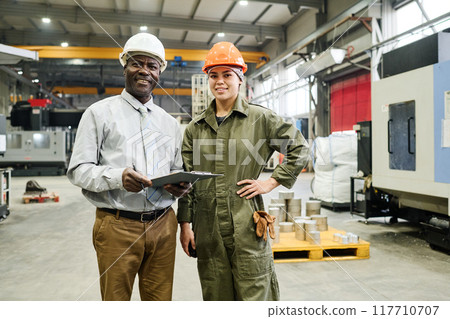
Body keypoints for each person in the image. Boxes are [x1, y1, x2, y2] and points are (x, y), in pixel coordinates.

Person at [177, 42, 309, 301]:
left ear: (240, 78)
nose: (220, 81)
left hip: (246, 227)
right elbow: (187, 181)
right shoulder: (196, 128)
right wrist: (185, 225)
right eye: (213, 75)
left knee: (254, 296)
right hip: (208, 229)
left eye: (227, 74)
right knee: (217, 297)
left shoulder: (261, 119)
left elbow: (299, 148)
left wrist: (271, 182)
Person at [67, 33, 189, 301]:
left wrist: (178, 186)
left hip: (163, 224)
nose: (144, 71)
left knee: (159, 303)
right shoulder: (99, 114)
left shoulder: (169, 123)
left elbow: (177, 168)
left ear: (159, 73)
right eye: (136, 63)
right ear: (125, 67)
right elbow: (78, 170)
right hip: (117, 226)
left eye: (152, 66)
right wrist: (117, 177)